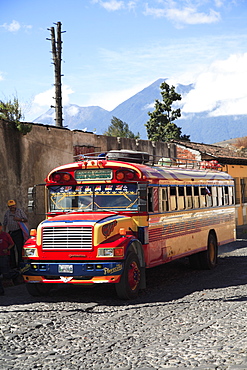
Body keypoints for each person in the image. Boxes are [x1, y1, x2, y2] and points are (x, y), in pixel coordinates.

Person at [3, 200, 28, 268]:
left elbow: (25, 219)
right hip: (11, 233)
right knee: (11, 249)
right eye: (10, 206)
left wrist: (19, 219)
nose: (12, 207)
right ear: (8, 207)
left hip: (18, 232)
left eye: (13, 205)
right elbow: (4, 223)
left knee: (19, 249)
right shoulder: (7, 213)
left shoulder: (19, 211)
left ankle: (20, 264)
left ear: (15, 205)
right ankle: (13, 265)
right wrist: (4, 233)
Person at [0, 222, 19, 295]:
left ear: (1, 227)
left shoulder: (5, 235)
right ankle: (1, 291)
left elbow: (12, 244)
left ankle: (16, 274)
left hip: (4, 256)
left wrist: (7, 249)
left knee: (6, 274)